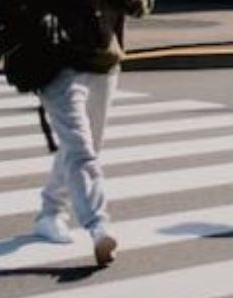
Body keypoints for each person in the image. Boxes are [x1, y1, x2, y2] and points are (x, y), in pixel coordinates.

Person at [32, 0, 153, 266]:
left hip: (103, 61)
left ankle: (50, 211)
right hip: (56, 63)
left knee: (87, 145)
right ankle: (99, 227)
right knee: (81, 149)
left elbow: (141, 7)